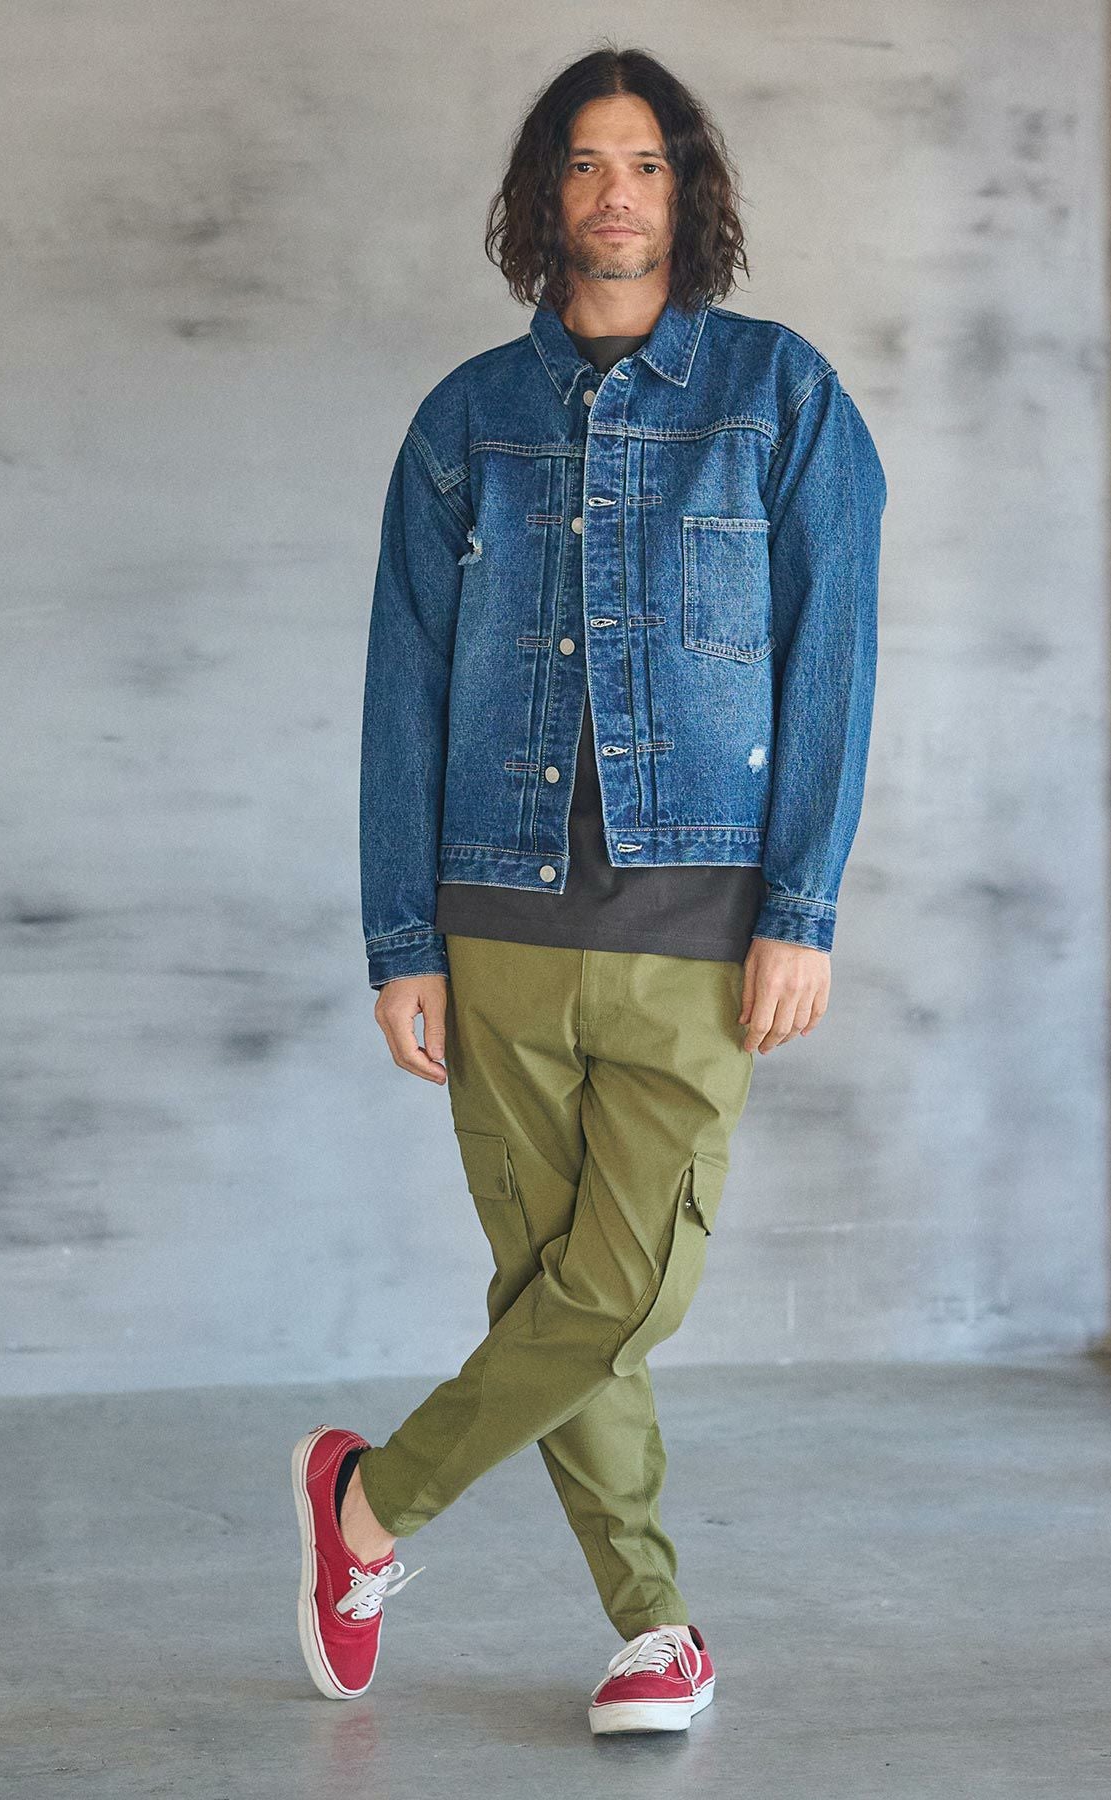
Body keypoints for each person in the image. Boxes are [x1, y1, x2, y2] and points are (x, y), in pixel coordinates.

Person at [292, 42, 886, 1735]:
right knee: (553, 1291)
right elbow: (403, 688)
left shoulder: (780, 398)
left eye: (644, 163)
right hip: (495, 926)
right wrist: (402, 939)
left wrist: (803, 909)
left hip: (697, 927)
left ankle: (366, 1506)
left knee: (621, 1288)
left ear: (687, 191)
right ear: (540, 195)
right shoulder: (464, 423)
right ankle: (654, 1631)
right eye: (582, 163)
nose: (614, 194)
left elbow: (831, 664)